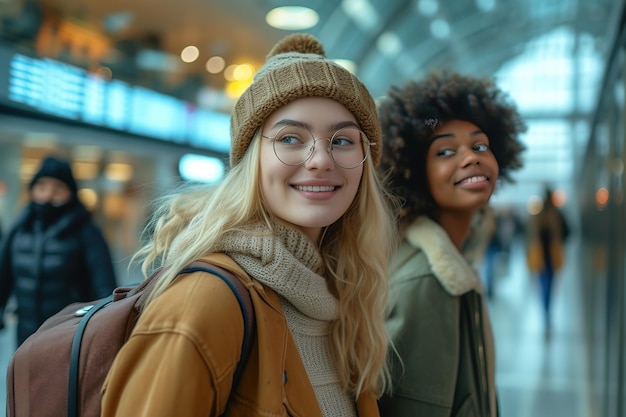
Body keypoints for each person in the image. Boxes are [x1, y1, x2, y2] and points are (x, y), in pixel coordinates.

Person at [101, 33, 397, 417]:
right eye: (291, 137)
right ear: (251, 159)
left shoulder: (344, 300)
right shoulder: (203, 303)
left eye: (342, 141)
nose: (320, 159)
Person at [376, 70, 526, 417]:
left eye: (480, 145)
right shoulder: (428, 282)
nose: (471, 157)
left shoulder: (452, 264)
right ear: (412, 172)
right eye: (445, 151)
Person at [0, 155, 117, 346]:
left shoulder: (86, 232)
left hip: (69, 336)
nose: (47, 195)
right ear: (33, 190)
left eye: (57, 189)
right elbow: (3, 275)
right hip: (26, 334)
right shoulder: (20, 228)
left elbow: (105, 287)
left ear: (70, 193)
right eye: (42, 187)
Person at [526, 186, 569, 331]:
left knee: (545, 286)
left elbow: (529, 237)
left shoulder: (539, 216)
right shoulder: (556, 215)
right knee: (549, 286)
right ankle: (547, 311)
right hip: (548, 256)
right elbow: (567, 233)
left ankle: (546, 311)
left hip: (543, 257)